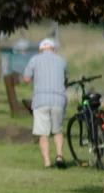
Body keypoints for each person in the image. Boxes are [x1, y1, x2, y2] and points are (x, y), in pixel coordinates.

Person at [23, 38, 69, 168]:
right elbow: (65, 80)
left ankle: (47, 162)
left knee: (43, 133)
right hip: (58, 100)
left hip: (40, 100)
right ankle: (59, 155)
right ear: (54, 49)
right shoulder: (62, 60)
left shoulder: (34, 59)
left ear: (40, 50)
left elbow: (26, 78)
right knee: (57, 131)